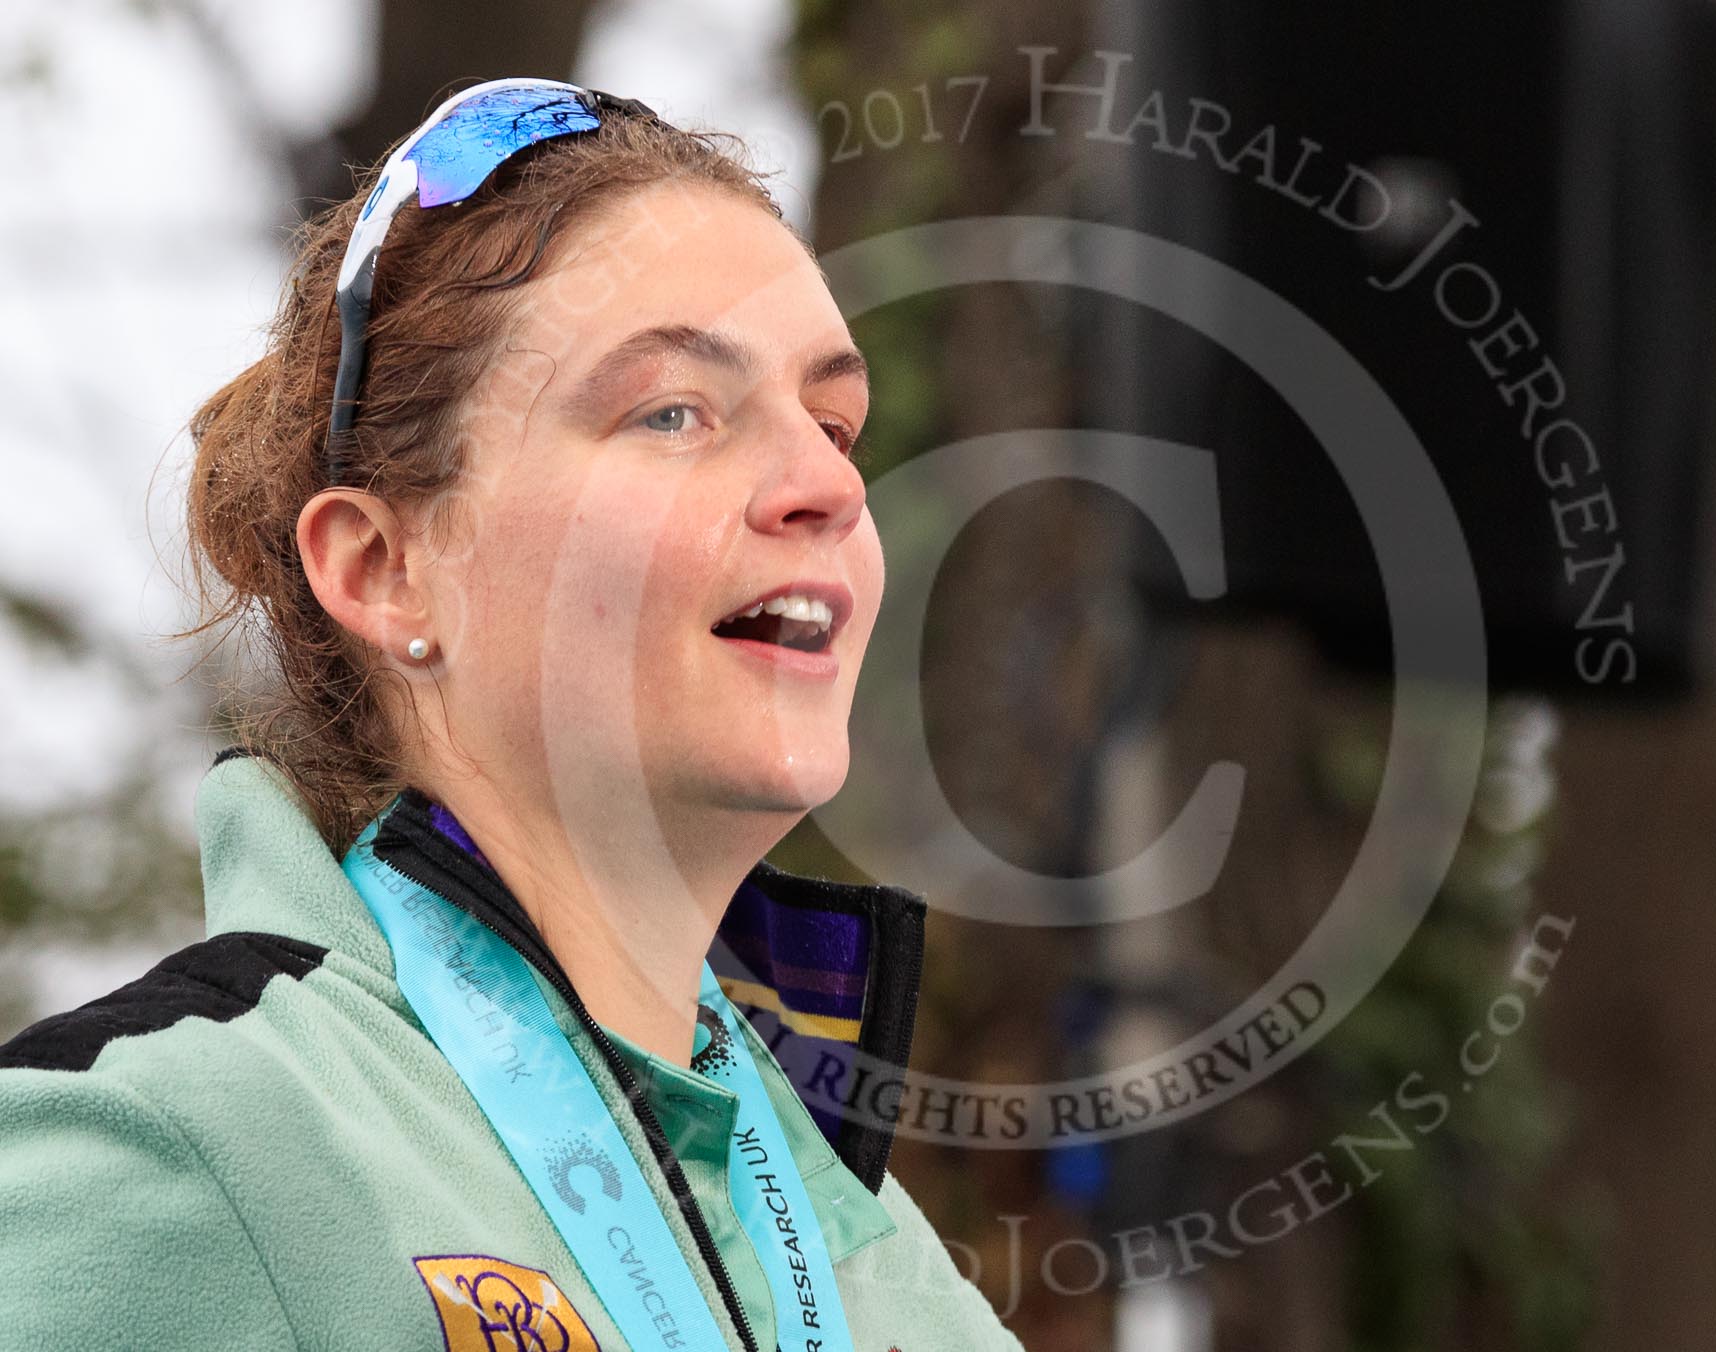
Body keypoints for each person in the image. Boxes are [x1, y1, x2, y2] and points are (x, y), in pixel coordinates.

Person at [0, 78, 1022, 1351]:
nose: (824, 482)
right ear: (388, 568)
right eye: (673, 412)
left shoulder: (891, 1273)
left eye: (831, 421)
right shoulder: (168, 1147)